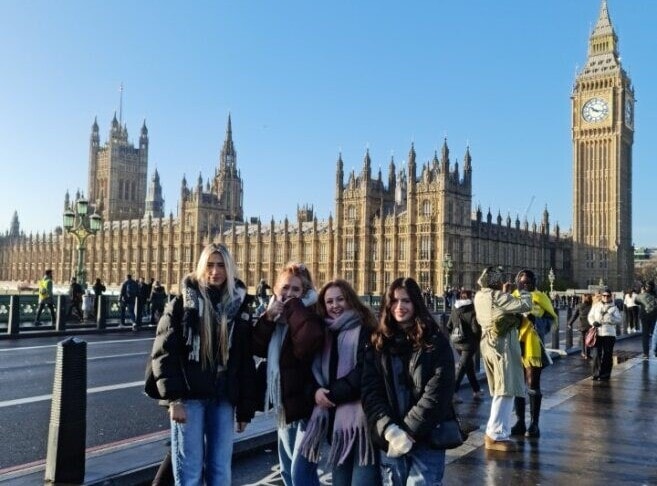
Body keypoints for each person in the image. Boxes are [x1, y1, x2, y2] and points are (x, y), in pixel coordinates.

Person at [149, 243, 257, 485]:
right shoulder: (183, 304)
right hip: (190, 396)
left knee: (220, 470)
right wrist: (174, 399)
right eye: (209, 265)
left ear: (229, 269)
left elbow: (244, 361)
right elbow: (164, 353)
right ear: (200, 267)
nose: (215, 271)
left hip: (223, 395)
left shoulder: (239, 307)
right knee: (190, 472)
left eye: (221, 265)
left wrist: (245, 409)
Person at [361, 277, 454, 486]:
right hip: (391, 437)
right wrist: (389, 429)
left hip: (427, 437)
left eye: (406, 301)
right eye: (394, 301)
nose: (399, 306)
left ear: (416, 303)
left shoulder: (435, 341)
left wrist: (409, 431)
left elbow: (438, 391)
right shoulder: (378, 342)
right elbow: (370, 391)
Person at [299, 279, 380, 486]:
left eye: (340, 300)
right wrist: (316, 391)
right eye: (329, 302)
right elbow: (307, 372)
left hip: (363, 426)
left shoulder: (367, 330)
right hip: (336, 427)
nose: (335, 306)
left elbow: (363, 373)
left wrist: (329, 394)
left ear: (351, 300)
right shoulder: (323, 333)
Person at [252, 262, 324, 486]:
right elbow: (256, 347)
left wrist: (293, 308)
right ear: (275, 289)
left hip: (310, 403)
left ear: (306, 292)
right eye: (285, 288)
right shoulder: (275, 316)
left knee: (301, 472)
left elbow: (305, 344)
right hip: (285, 403)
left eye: (296, 290)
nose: (290, 294)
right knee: (287, 468)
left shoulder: (313, 312)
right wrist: (267, 319)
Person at [473, 266, 532, 451]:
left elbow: (498, 307)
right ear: (495, 282)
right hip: (502, 345)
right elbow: (526, 306)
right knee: (506, 389)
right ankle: (495, 434)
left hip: (488, 342)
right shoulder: (497, 296)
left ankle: (498, 431)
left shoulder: (480, 295)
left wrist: (505, 292)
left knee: (502, 387)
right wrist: (523, 290)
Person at [510, 269, 557, 438]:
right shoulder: (512, 297)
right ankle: (520, 421)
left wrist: (535, 319)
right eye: (522, 282)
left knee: (532, 384)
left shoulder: (540, 297)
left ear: (534, 282)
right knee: (517, 385)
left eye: (528, 282)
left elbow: (551, 319)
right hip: (514, 343)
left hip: (532, 344)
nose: (525, 285)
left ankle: (534, 424)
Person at [447, 289, 484, 404]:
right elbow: (475, 329)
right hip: (469, 344)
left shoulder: (455, 308)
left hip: (457, 342)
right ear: (470, 298)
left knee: (469, 366)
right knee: (462, 367)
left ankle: (476, 390)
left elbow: (449, 325)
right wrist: (478, 339)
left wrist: (455, 337)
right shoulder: (473, 310)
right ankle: (453, 392)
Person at [587, 287, 622, 381]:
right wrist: (593, 322)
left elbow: (619, 320)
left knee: (607, 354)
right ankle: (596, 373)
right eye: (604, 295)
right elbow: (590, 316)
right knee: (596, 354)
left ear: (611, 296)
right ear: (602, 296)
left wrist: (610, 319)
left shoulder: (614, 307)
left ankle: (605, 374)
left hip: (609, 333)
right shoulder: (596, 305)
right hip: (597, 333)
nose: (606, 297)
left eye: (608, 296)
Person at [567, 294, 593, 359]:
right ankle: (588, 353)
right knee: (589, 339)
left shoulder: (579, 306)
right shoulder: (592, 306)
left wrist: (570, 323)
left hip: (582, 325)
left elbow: (575, 316)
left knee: (583, 339)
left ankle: (583, 353)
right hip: (589, 325)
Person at [635, 281, 657, 358]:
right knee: (655, 333)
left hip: (644, 316)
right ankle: (655, 350)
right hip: (654, 315)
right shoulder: (655, 294)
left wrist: (642, 293)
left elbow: (636, 301)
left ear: (645, 287)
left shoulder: (642, 295)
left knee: (645, 335)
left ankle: (646, 353)